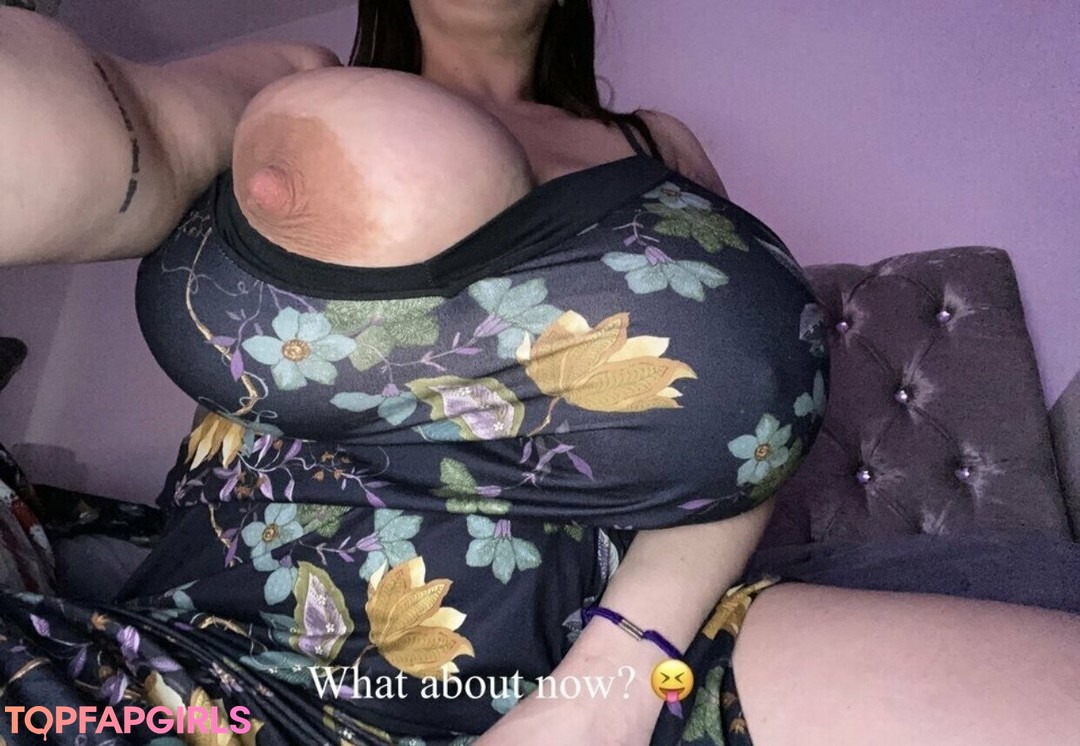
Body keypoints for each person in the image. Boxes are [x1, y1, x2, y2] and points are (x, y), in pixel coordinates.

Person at [0, 4, 1077, 746]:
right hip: (236, 665)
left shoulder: (659, 147)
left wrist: (609, 685)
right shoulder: (292, 78)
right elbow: (115, 129)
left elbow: (736, 442)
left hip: (614, 650)